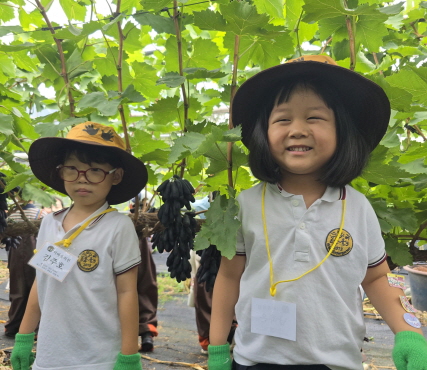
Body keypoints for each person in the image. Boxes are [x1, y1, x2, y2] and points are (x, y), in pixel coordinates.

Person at [208, 55, 427, 370]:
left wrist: (408, 331)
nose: (297, 130)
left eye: (315, 118)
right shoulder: (246, 205)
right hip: (254, 359)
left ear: (343, 132)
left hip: (336, 362)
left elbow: (377, 277)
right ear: (262, 133)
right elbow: (229, 276)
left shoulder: (357, 208)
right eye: (283, 119)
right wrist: (217, 350)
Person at [10, 121, 148, 370]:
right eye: (72, 169)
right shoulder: (50, 223)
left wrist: (129, 354)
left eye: (95, 171)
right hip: (50, 355)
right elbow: (41, 283)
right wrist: (24, 336)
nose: (81, 180)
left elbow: (127, 292)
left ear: (115, 176)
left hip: (100, 357)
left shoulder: (118, 226)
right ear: (61, 172)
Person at [4, 198, 40, 338]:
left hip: (16, 254)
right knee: (33, 289)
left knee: (17, 290)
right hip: (34, 253)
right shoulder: (39, 213)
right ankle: (34, 328)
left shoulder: (11, 214)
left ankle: (13, 326)